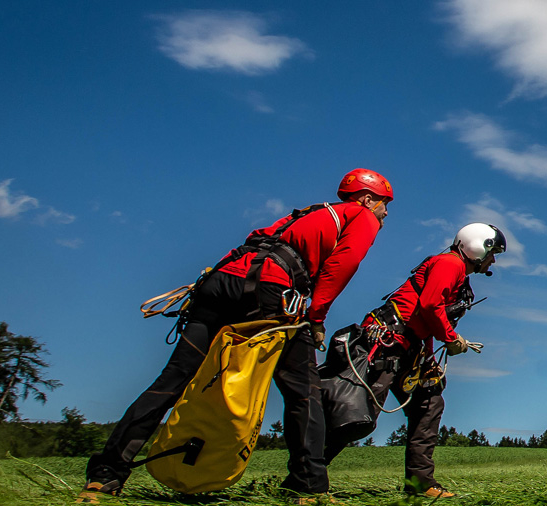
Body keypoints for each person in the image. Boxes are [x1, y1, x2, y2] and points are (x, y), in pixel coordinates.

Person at [81, 168, 392, 504]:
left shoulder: (308, 213)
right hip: (272, 291)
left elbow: (256, 239)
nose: (385, 212)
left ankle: (105, 476)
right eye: (384, 204)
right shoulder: (362, 216)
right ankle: (308, 485)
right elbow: (343, 264)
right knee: (303, 391)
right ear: (366, 198)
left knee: (174, 379)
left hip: (221, 282)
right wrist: (316, 317)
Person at [320, 223, 502, 499]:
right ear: (477, 246)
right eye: (493, 252)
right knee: (357, 415)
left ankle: (420, 482)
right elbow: (430, 305)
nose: (493, 260)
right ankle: (307, 478)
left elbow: (424, 319)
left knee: (429, 403)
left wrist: (429, 358)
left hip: (410, 347)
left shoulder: (456, 273)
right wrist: (451, 339)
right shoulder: (449, 264)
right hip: (387, 345)